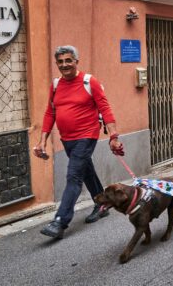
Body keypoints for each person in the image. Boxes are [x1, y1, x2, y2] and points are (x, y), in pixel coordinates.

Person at [34, 45, 122, 239]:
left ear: (76, 61)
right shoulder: (56, 85)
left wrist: (114, 136)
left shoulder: (89, 82)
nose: (64, 65)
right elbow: (51, 113)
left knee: (73, 176)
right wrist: (42, 141)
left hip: (86, 135)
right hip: (67, 138)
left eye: (68, 60)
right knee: (85, 169)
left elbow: (105, 109)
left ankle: (60, 221)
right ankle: (103, 203)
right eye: (60, 61)